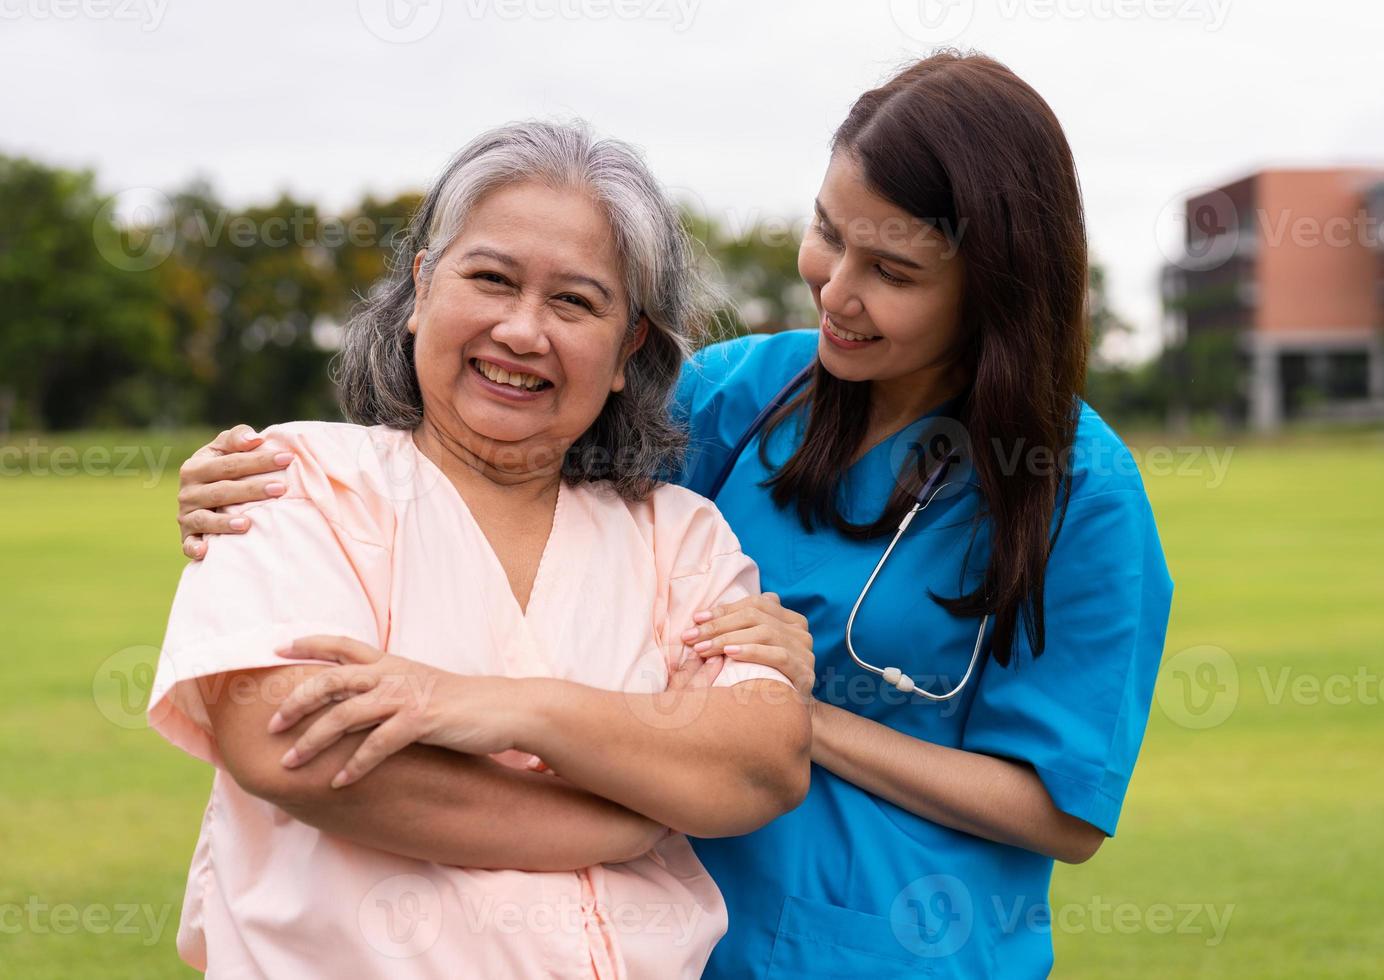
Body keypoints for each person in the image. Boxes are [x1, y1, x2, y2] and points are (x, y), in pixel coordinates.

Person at [176, 52, 1173, 978]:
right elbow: (525, 456)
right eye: (829, 231)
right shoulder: (739, 398)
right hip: (693, 947)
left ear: (991, 290)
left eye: (896, 273)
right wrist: (266, 489)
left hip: (905, 946)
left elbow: (1062, 810)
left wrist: (799, 715)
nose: (838, 289)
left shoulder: (1076, 486)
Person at [148, 119, 810, 980]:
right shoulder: (297, 483)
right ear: (423, 287)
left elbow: (758, 764)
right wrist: (627, 812)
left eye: (575, 301)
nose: (523, 331)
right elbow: (290, 746)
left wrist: (498, 707)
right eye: (490, 279)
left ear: (628, 350)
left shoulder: (677, 536)